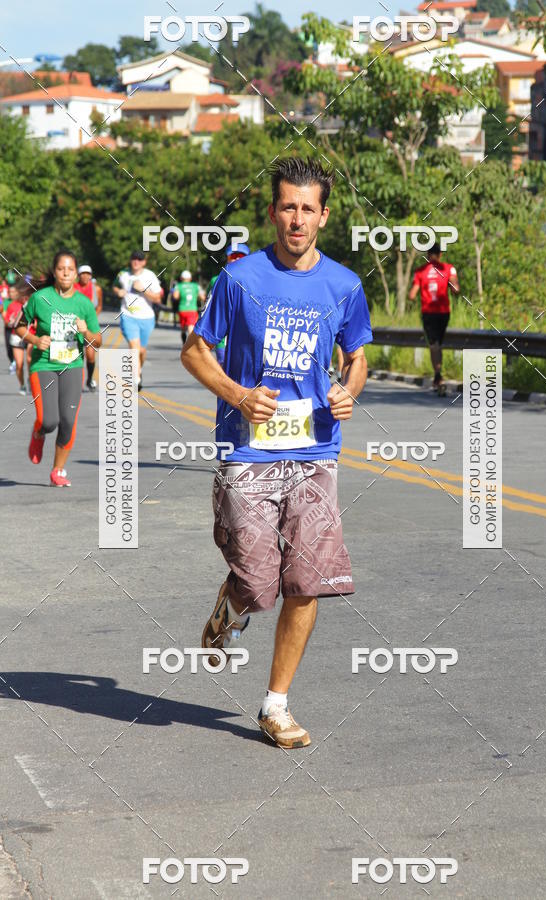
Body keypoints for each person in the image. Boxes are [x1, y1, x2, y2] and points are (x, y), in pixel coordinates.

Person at [181, 158, 372, 749]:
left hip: (315, 450)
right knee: (257, 583)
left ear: (324, 215)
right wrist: (238, 395)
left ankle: (276, 704)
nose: (297, 218)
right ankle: (228, 608)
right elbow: (194, 352)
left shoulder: (343, 285)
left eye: (308, 208)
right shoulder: (240, 280)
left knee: (306, 582)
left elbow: (357, 356)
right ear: (273, 211)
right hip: (248, 452)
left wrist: (347, 391)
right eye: (287, 206)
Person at [14, 250, 101, 486]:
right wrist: (34, 340)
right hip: (43, 365)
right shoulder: (39, 299)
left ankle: (58, 471)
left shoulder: (83, 303)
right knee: (48, 420)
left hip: (72, 366)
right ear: (55, 271)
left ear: (76, 273)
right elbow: (19, 327)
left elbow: (98, 341)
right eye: (61, 269)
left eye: (70, 269)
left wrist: (85, 332)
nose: (65, 273)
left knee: (68, 421)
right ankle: (38, 432)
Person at [408, 242, 459, 396]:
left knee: (434, 344)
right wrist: (451, 285)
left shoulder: (420, 271)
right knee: (438, 343)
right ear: (440, 254)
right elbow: (456, 289)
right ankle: (438, 376)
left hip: (428, 312)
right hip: (444, 312)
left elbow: (411, 295)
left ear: (428, 255)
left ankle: (438, 376)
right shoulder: (449, 268)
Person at [113, 251, 162, 392]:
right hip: (128, 315)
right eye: (134, 259)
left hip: (146, 317)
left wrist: (144, 289)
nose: (136, 262)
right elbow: (115, 286)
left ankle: (139, 370)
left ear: (144, 262)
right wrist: (118, 292)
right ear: (130, 260)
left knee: (141, 350)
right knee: (134, 346)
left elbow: (158, 298)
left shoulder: (150, 276)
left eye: (139, 260)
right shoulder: (123, 274)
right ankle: (136, 378)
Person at [205, 243, 250, 365]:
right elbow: (208, 306)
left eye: (240, 256)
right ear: (227, 258)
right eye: (233, 256)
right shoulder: (217, 279)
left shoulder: (255, 280)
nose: (237, 259)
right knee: (223, 362)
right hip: (223, 333)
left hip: (245, 333)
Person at [74, 264, 103, 392]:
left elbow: (100, 306)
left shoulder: (96, 289)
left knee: (90, 355)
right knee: (76, 355)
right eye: (83, 274)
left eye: (88, 274)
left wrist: (92, 317)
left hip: (90, 326)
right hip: (75, 324)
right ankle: (74, 381)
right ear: (78, 276)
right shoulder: (73, 288)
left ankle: (90, 378)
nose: (85, 276)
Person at [3, 279, 33, 394]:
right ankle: (22, 385)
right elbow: (7, 322)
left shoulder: (31, 305)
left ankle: (31, 380)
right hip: (16, 336)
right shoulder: (12, 306)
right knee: (19, 364)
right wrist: (10, 322)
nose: (24, 296)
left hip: (30, 335)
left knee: (30, 360)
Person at [172, 269, 202, 345]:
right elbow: (202, 296)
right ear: (190, 278)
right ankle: (191, 345)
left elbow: (175, 297)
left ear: (181, 278)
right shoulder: (196, 286)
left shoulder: (178, 286)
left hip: (182, 309)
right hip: (192, 309)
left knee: (183, 327)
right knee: (191, 327)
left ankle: (183, 338)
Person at [2, 270, 17, 372]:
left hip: (18, 328)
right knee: (8, 348)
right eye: (10, 292)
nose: (11, 294)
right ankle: (12, 361)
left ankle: (17, 362)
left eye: (13, 292)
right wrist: (8, 321)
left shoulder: (19, 301)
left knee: (16, 347)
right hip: (8, 328)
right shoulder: (5, 302)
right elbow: (4, 315)